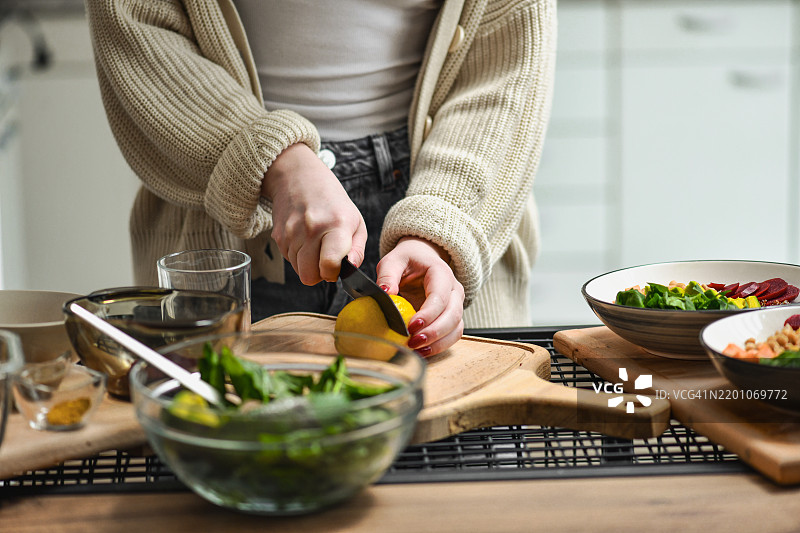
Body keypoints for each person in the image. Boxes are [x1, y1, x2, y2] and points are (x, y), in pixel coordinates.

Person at [84, 0, 556, 356]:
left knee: (463, 472)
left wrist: (443, 225)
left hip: (440, 190)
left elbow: (508, 65)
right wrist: (273, 160)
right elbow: (135, 25)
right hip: (227, 225)